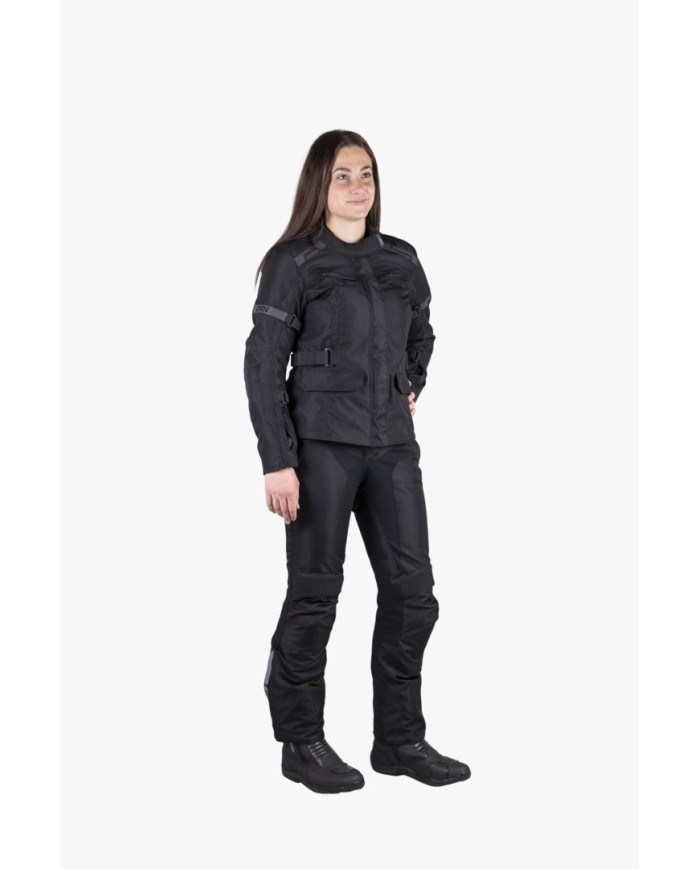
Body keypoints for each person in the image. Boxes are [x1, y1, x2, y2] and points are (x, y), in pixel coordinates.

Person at [243, 129, 471, 794]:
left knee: (413, 595)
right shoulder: (294, 262)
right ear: (320, 183)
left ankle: (399, 740)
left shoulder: (401, 258)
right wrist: (278, 460)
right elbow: (262, 363)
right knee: (315, 595)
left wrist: (409, 384)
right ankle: (301, 741)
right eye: (342, 175)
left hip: (392, 447)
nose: (357, 186)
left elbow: (422, 332)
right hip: (320, 448)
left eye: (366, 173)